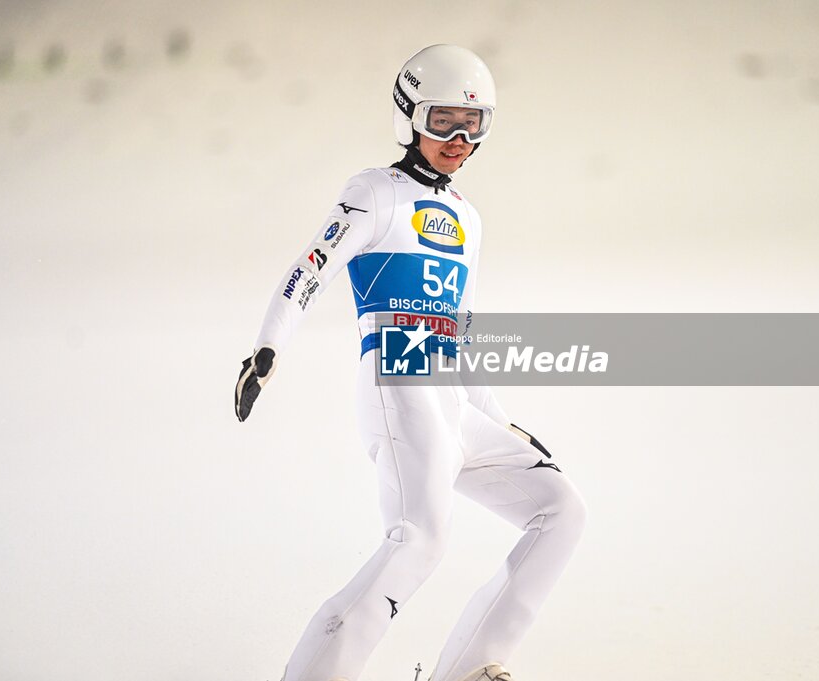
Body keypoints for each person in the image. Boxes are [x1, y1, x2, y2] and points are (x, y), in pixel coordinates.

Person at [234, 44, 587, 681]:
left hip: (454, 401)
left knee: (561, 509)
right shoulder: (375, 192)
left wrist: (502, 423)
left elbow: (463, 334)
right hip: (400, 383)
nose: (458, 138)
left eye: (472, 125)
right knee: (418, 541)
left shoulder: (468, 219)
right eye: (442, 120)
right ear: (409, 116)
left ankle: (473, 669)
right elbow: (310, 268)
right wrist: (269, 346)